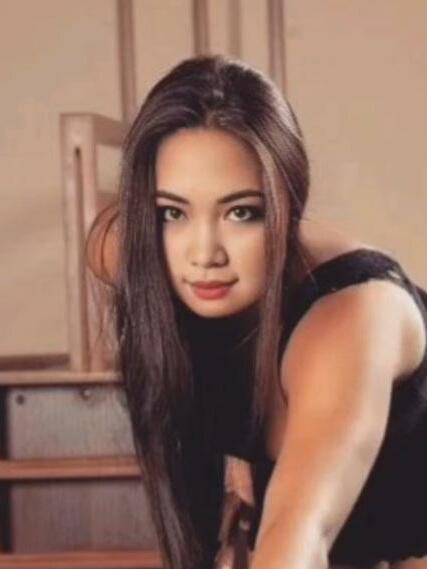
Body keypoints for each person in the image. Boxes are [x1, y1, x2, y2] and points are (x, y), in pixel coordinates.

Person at [86, 55, 427, 569]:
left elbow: (302, 531)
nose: (205, 254)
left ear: (289, 205)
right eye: (173, 212)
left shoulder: (351, 319)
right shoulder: (135, 253)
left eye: (241, 212)